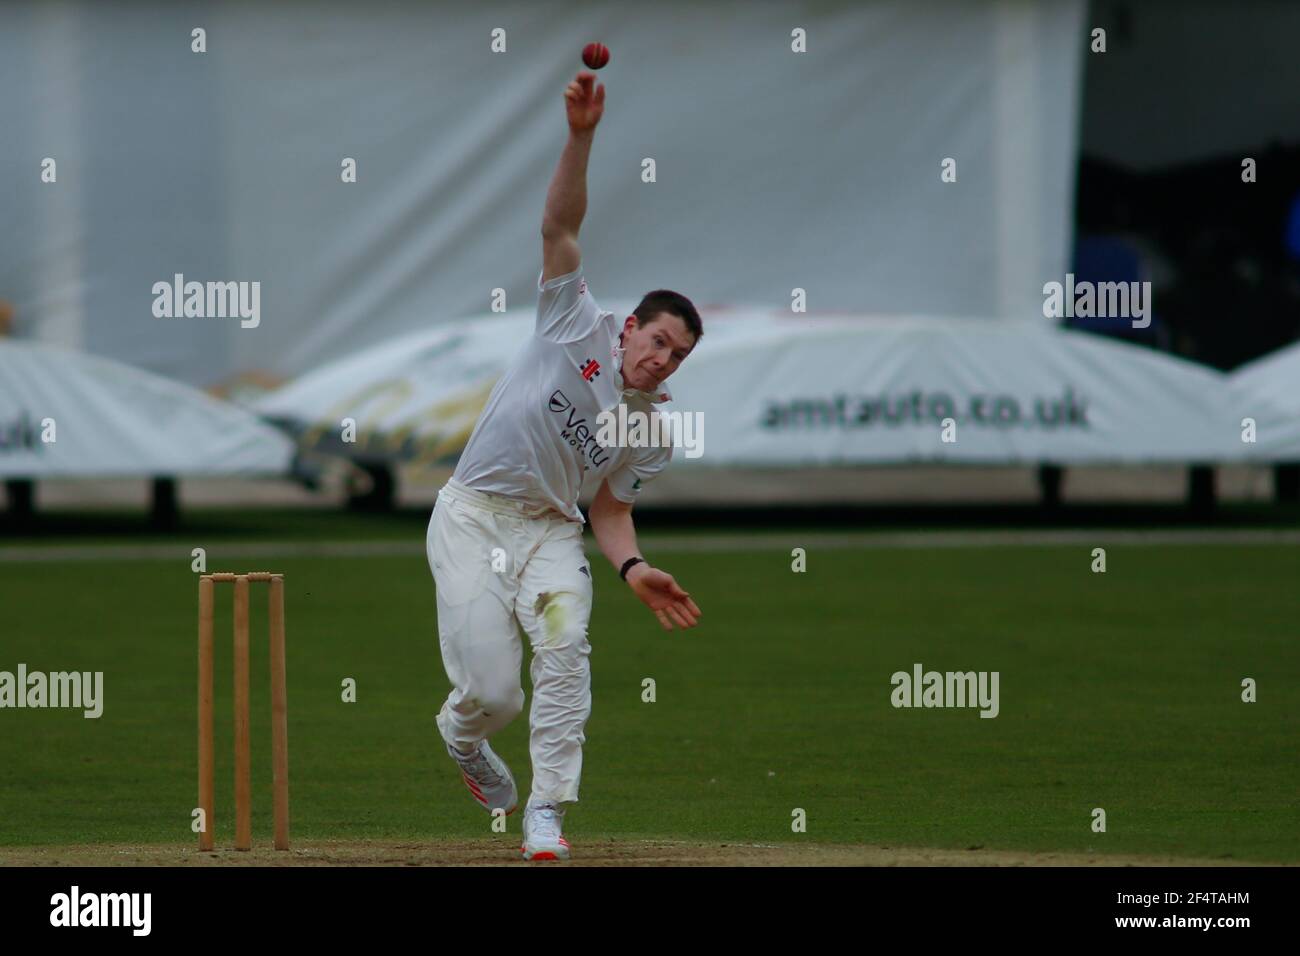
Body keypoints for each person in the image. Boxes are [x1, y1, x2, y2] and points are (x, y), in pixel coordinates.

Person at [426, 72, 704, 861]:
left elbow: (610, 511)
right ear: (627, 329)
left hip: (551, 534)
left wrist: (636, 568)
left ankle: (547, 810)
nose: (661, 359)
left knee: (565, 648)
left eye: (676, 354)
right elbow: (559, 224)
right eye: (655, 340)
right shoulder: (571, 320)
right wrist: (581, 136)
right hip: (474, 514)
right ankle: (461, 732)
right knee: (493, 693)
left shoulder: (650, 428)